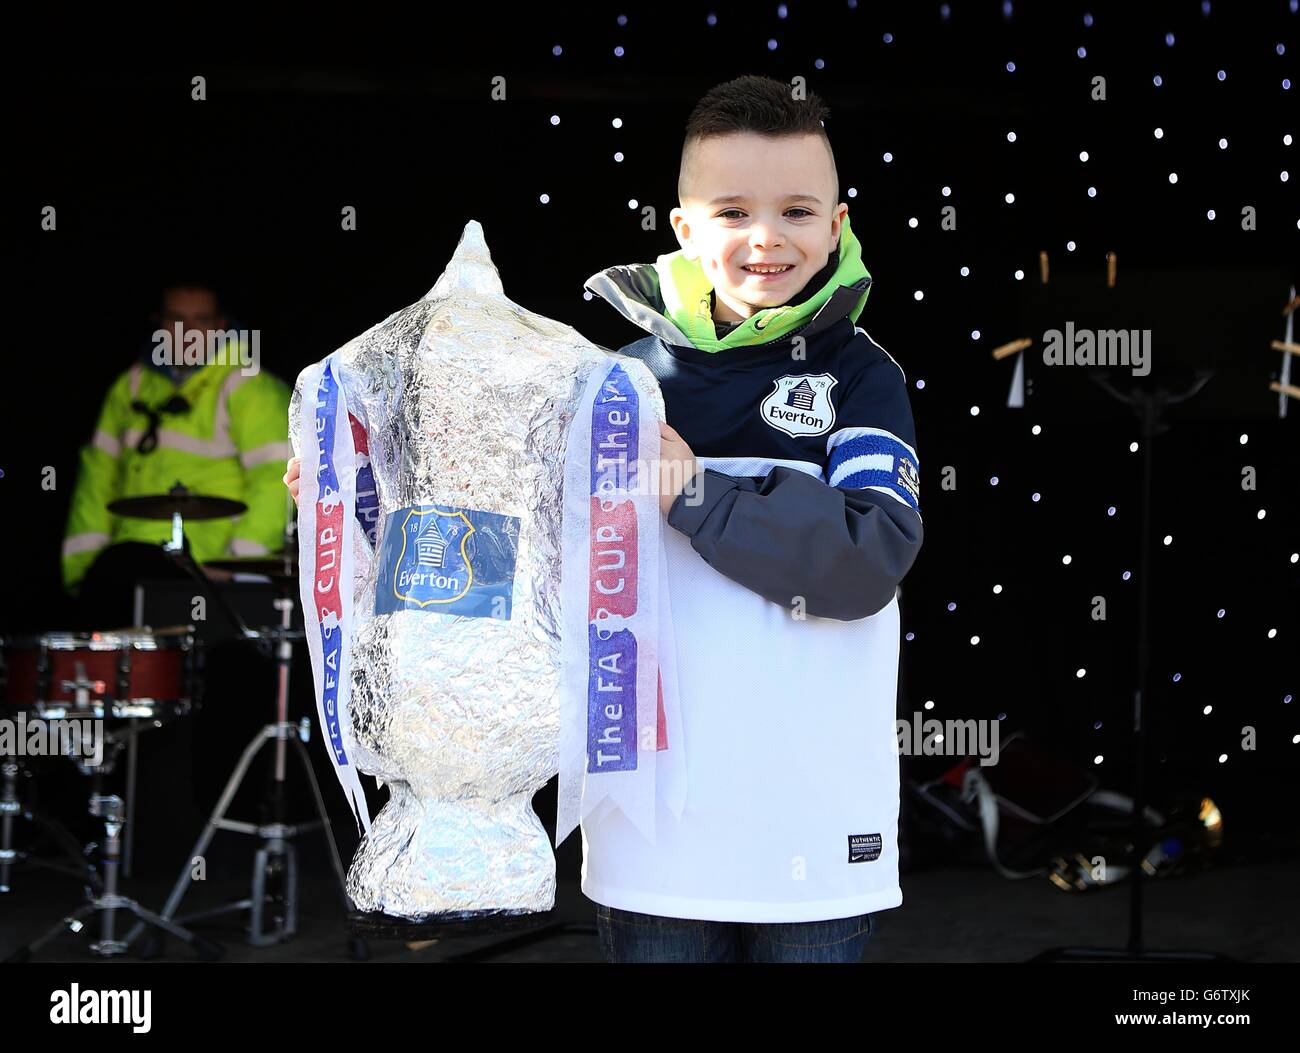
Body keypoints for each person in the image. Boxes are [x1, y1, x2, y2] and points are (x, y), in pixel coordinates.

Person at [285, 75, 923, 962]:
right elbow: (501, 559)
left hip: (810, 819)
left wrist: (693, 495)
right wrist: (361, 500)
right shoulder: (606, 381)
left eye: (797, 211)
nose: (766, 237)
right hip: (648, 830)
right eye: (732, 210)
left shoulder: (864, 378)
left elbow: (865, 560)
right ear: (684, 228)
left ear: (839, 225)